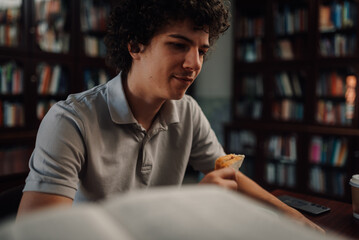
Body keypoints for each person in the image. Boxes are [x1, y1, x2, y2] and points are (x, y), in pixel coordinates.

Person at [17, 0, 323, 233]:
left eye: (202, 51)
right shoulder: (70, 121)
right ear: (135, 45)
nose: (194, 63)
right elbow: (38, 232)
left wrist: (297, 221)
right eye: (178, 45)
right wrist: (190, 202)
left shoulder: (187, 111)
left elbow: (231, 176)